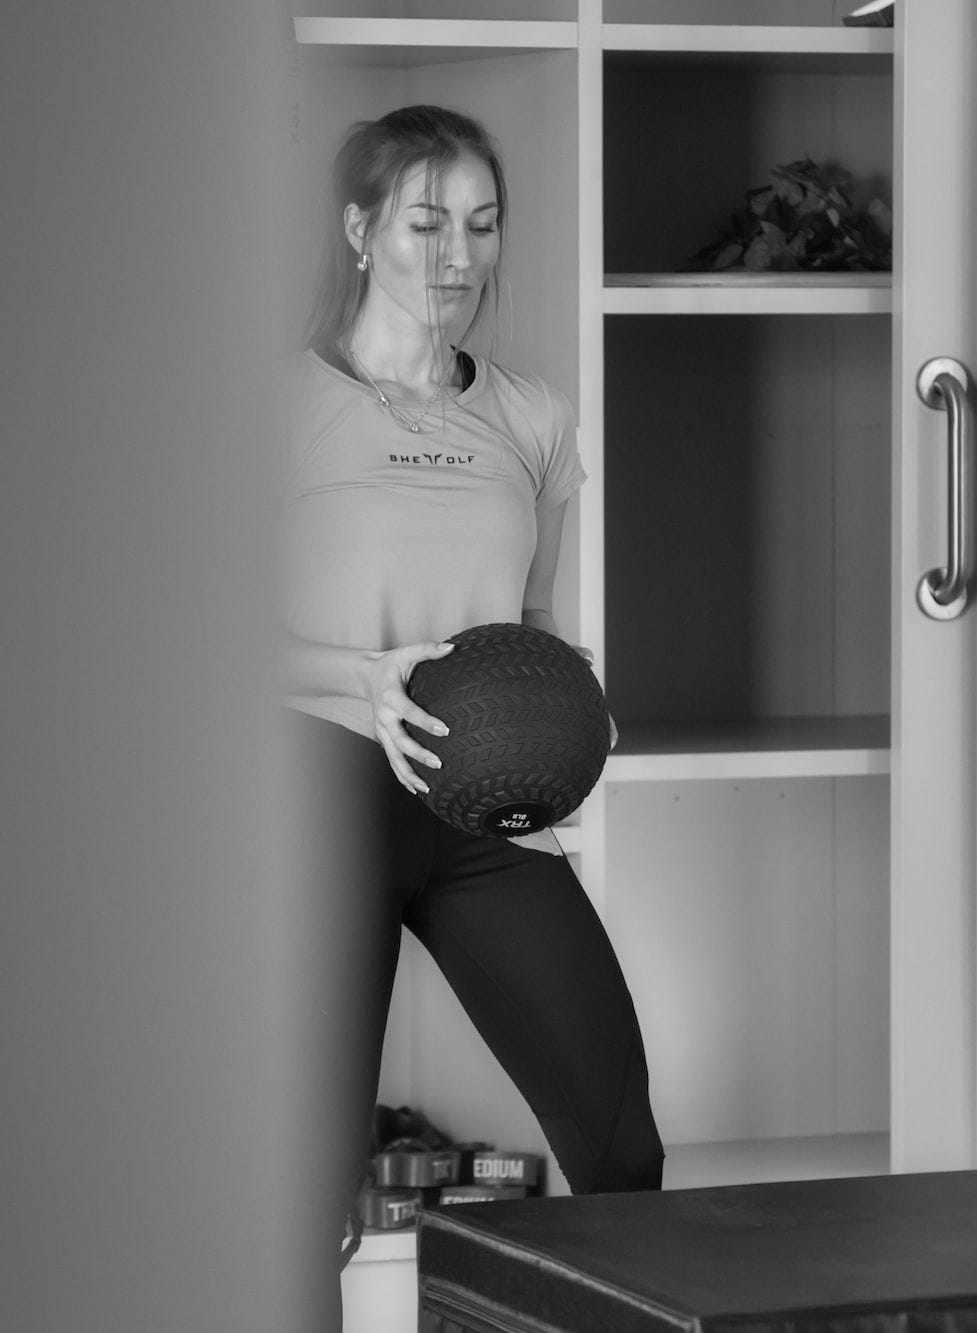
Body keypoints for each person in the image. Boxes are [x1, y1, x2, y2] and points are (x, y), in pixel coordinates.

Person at [279, 104, 663, 1319]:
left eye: (482, 225)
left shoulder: (533, 419)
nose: (457, 254)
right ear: (359, 230)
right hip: (319, 786)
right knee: (304, 1187)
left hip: (477, 809)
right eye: (425, 221)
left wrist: (561, 710)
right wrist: (361, 678)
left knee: (618, 1148)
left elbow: (530, 623)